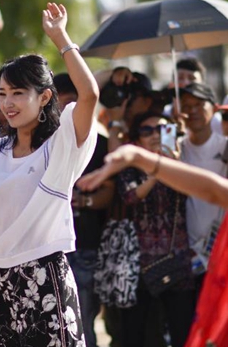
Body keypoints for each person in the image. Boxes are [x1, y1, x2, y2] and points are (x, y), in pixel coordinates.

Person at [0, 3, 98, 346]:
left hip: (47, 278)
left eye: (18, 93)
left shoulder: (61, 147)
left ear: (44, 97)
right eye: (2, 94)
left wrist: (61, 38)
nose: (8, 103)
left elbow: (89, 94)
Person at [76, 144, 228, 347]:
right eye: (148, 130)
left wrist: (140, 158)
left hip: (178, 266)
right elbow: (213, 191)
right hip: (144, 268)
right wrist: (139, 158)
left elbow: (213, 191)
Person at [115, 112, 195, 347]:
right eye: (146, 130)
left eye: (161, 129)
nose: (154, 135)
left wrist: (175, 165)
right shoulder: (130, 167)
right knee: (134, 334)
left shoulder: (180, 163)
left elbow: (194, 191)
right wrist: (156, 170)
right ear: (137, 140)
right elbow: (131, 196)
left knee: (182, 332)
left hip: (177, 259)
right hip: (139, 264)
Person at [54, 73, 113, 347]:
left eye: (73, 104)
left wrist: (84, 200)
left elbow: (110, 192)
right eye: (61, 104)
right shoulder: (41, 143)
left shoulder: (99, 143)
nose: (69, 112)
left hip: (87, 247)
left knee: (83, 324)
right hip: (51, 252)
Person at [177, 83, 227, 287]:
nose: (193, 111)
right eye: (187, 105)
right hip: (187, 256)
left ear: (213, 108)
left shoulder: (225, 146)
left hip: (220, 251)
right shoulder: (177, 148)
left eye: (199, 104)